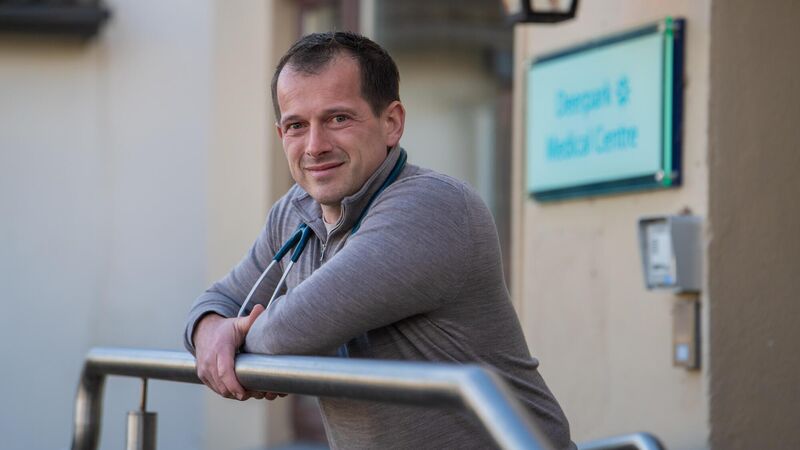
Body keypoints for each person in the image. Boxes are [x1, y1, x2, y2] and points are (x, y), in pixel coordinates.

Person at [184, 31, 573, 449]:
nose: (315, 146)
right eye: (297, 125)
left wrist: (235, 344)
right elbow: (218, 302)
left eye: (338, 119)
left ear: (392, 124)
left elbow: (289, 334)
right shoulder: (295, 212)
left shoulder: (433, 207)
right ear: (282, 135)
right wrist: (211, 331)